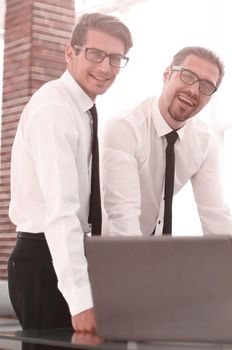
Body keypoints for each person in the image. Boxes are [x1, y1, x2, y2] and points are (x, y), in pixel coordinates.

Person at [8, 13, 132, 333]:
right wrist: (81, 301)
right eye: (95, 54)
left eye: (115, 58)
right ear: (70, 53)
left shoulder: (83, 109)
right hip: (43, 261)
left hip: (62, 259)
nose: (105, 67)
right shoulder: (56, 108)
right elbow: (61, 211)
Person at [100, 46, 232, 310]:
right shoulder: (124, 128)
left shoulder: (203, 142)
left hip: (149, 263)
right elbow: (123, 216)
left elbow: (215, 217)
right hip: (102, 260)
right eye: (188, 76)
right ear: (167, 74)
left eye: (206, 86)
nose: (194, 90)